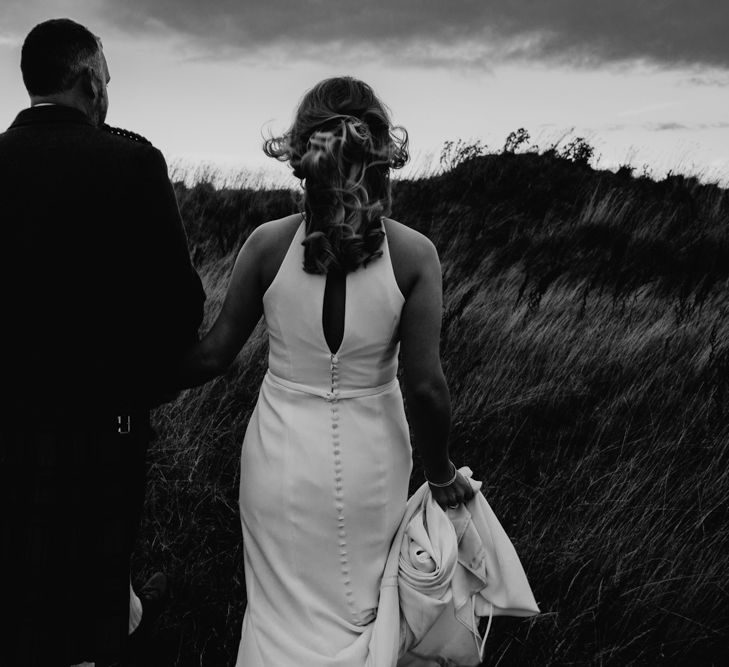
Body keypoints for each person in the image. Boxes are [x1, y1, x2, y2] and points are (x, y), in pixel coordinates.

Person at [178, 76, 474, 665]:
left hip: (279, 459)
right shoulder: (416, 254)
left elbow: (212, 356)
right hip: (374, 462)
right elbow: (425, 386)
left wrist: (119, 377)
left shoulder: (266, 245)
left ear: (302, 156)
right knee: (366, 608)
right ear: (380, 153)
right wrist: (440, 475)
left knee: (277, 617)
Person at [0, 18, 205, 667]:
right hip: (98, 425)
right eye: (107, 79)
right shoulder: (131, 161)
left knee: (17, 586)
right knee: (91, 597)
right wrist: (146, 385)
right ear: (89, 82)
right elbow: (180, 305)